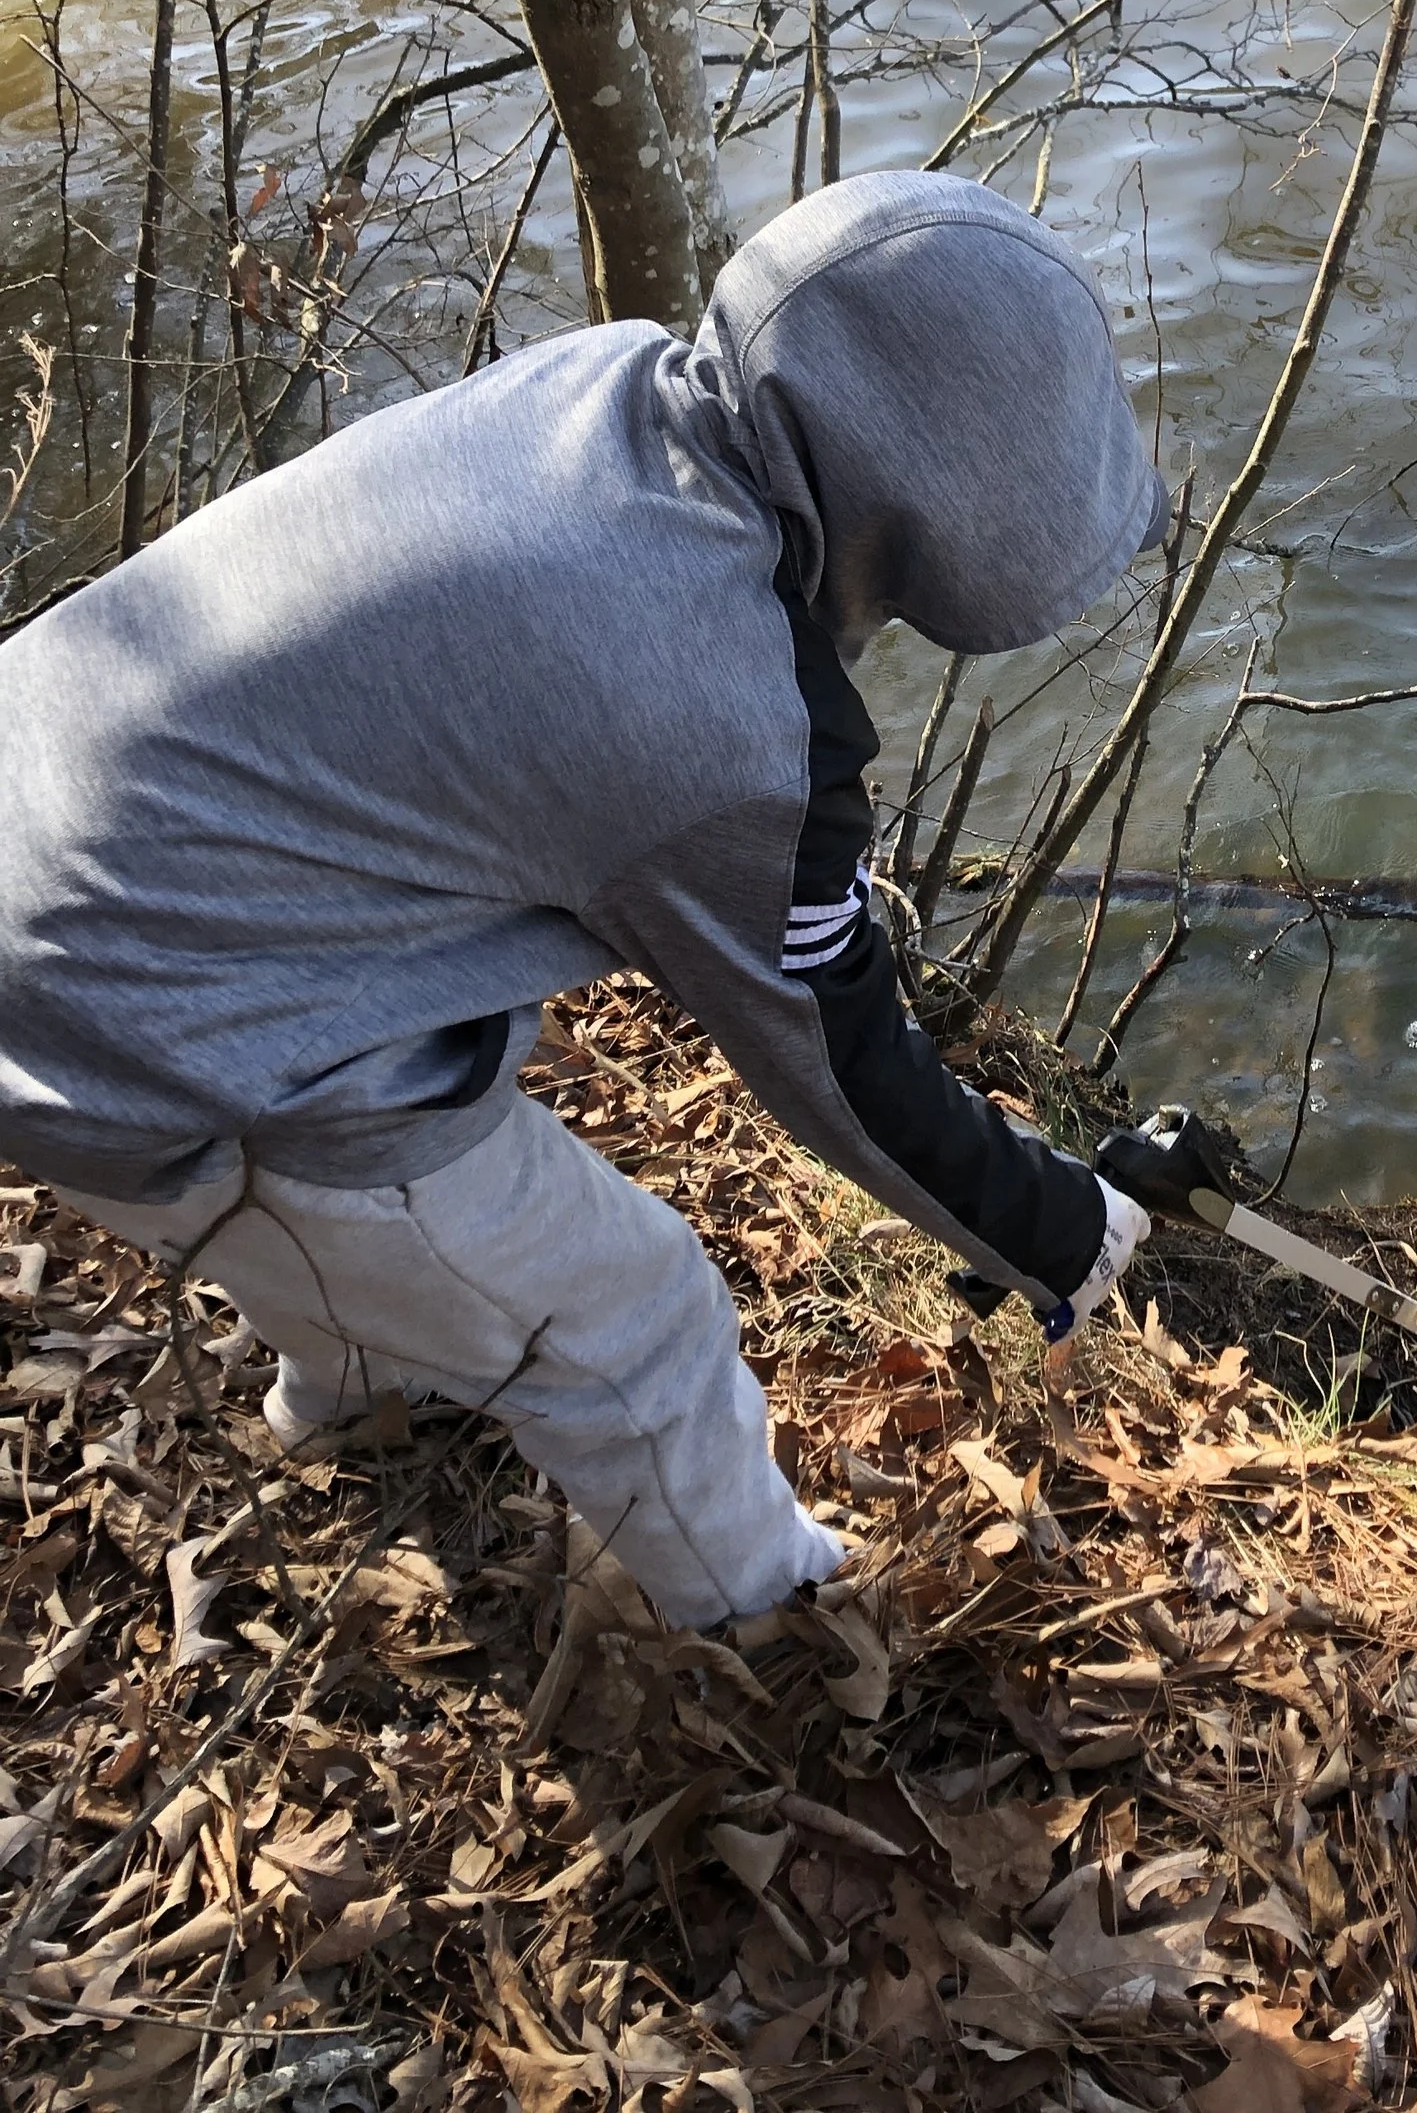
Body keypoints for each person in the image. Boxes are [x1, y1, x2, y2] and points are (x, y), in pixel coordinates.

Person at [0, 172, 1166, 1628]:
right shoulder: (724, 729)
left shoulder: (612, 381)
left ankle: (353, 1391)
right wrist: (1055, 1233)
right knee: (638, 1320)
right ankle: (762, 1622)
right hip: (161, 1047)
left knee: (411, 1150)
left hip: (47, 874)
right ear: (939, 506)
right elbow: (836, 1058)